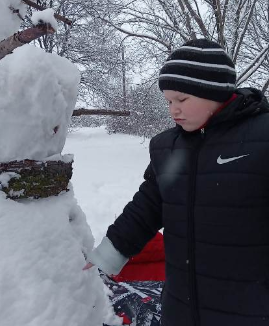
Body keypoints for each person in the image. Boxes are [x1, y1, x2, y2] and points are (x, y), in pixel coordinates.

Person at [83, 38, 269, 326]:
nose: (173, 109)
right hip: (181, 302)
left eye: (182, 99)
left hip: (249, 302)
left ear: (215, 92)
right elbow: (147, 207)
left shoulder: (261, 138)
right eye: (169, 100)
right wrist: (107, 255)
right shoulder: (168, 147)